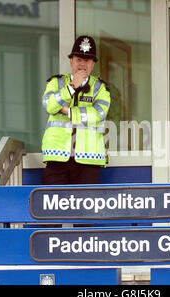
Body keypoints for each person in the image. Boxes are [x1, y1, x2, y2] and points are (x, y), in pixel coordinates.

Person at [41, 35, 111, 185]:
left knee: (86, 207)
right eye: (79, 59)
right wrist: (71, 87)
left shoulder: (100, 88)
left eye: (87, 60)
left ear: (93, 64)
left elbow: (99, 114)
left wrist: (68, 111)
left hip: (89, 160)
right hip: (57, 158)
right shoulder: (56, 82)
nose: (82, 64)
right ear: (71, 61)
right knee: (53, 206)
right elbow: (49, 105)